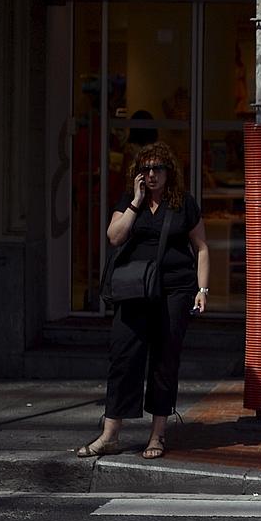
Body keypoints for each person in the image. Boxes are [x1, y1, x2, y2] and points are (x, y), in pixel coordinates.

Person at [78, 142, 209, 461]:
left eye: (158, 169)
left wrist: (202, 290)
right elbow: (114, 236)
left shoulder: (184, 204)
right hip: (134, 290)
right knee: (124, 357)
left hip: (175, 291)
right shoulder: (128, 201)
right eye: (145, 169)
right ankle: (110, 435)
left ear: (169, 172)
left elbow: (202, 248)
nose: (151, 175)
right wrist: (136, 202)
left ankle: (157, 434)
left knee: (165, 361)